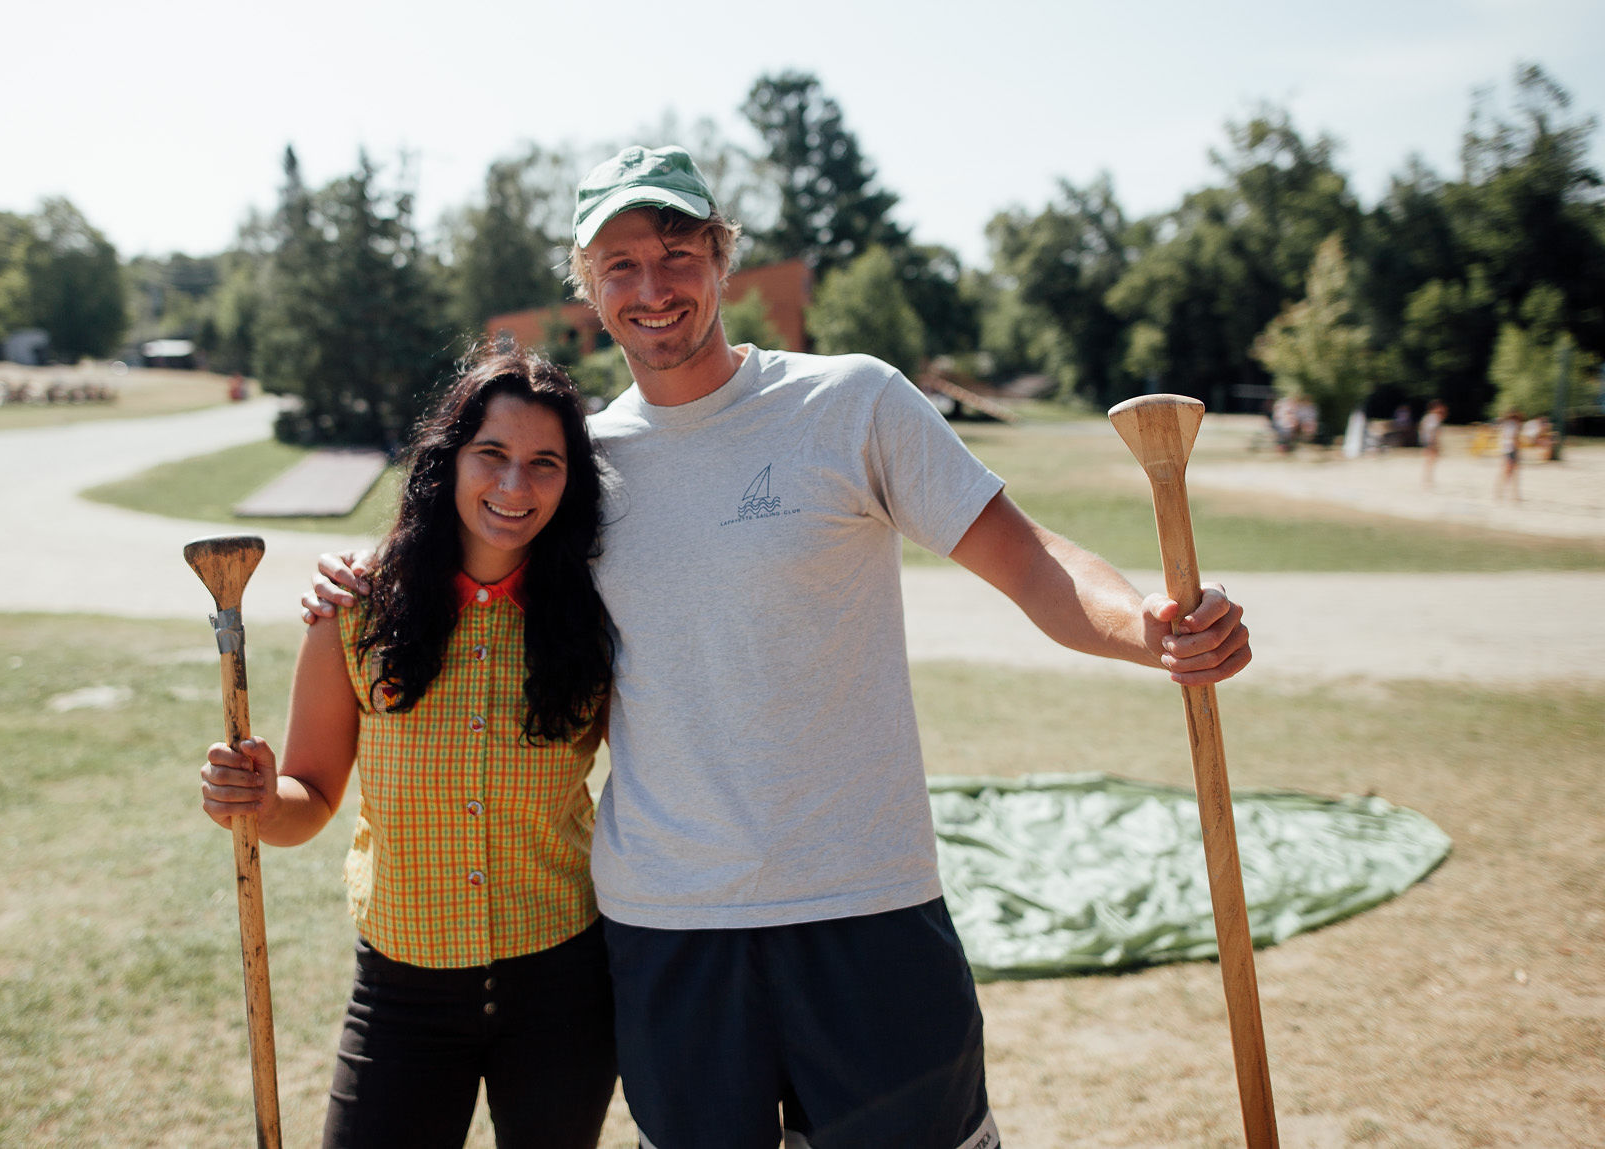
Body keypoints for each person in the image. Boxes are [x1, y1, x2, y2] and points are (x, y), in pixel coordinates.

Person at [308, 146, 1253, 1149]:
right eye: (618, 264)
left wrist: (1144, 627)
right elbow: (468, 548)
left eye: (676, 251)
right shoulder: (579, 471)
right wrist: (355, 576)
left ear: (722, 258)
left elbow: (1029, 563)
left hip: (866, 903)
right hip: (668, 928)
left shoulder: (852, 403)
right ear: (586, 287)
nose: (651, 285)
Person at [202, 346, 619, 1149]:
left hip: (564, 983)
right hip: (404, 989)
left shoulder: (595, 622)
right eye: (490, 454)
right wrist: (257, 797)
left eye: (544, 463)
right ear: (448, 460)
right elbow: (308, 800)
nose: (513, 486)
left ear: (572, 483)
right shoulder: (356, 609)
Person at [1496, 408, 1524, 503]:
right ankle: (1513, 495)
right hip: (1512, 451)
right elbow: (1514, 439)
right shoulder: (1514, 425)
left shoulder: (1507, 425)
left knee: (1506, 473)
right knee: (1512, 474)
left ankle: (1502, 493)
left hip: (1507, 450)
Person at [1419, 399, 1447, 489]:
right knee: (1430, 462)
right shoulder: (1434, 418)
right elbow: (1432, 432)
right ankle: (1428, 480)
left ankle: (1427, 480)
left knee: (1429, 462)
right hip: (1431, 443)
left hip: (1428, 442)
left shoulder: (1428, 417)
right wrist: (1433, 444)